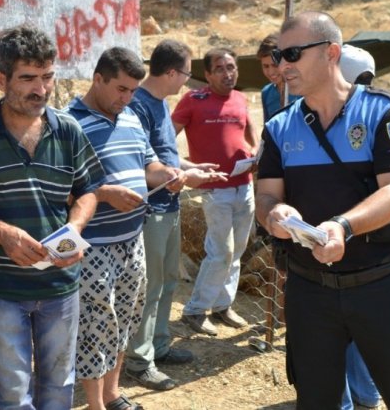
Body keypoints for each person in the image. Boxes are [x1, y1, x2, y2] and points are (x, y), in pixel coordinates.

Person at [256, 11, 390, 409]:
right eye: (278, 54)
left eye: (293, 54)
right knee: (317, 399)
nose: (283, 65)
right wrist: (274, 214)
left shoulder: (383, 113)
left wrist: (343, 226)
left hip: (382, 286)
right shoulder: (280, 127)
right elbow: (266, 196)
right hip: (309, 290)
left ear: (331, 53)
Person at [0, 25, 104, 410]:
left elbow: (88, 190)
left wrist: (75, 228)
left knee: (58, 389)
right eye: (28, 78)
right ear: (0, 79)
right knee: (13, 396)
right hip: (0, 290)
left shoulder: (68, 130)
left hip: (61, 286)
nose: (42, 89)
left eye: (48, 76)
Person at [66, 47, 185, 410]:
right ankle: (94, 403)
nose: (127, 97)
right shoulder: (67, 124)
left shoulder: (131, 117)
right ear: (97, 79)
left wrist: (166, 174)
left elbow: (147, 162)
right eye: (120, 89)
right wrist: (103, 194)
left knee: (126, 321)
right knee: (94, 326)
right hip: (93, 245)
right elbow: (57, 187)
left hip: (132, 240)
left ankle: (112, 392)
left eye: (132, 90)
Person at [124, 39, 225, 391]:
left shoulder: (159, 104)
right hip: (151, 209)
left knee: (167, 280)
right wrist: (185, 177)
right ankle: (138, 360)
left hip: (169, 206)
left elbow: (162, 157)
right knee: (149, 287)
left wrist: (191, 167)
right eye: (186, 73)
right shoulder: (138, 105)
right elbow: (141, 163)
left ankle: (159, 345)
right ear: (171, 72)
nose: (187, 80)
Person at [173, 47, 260, 336]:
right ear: (207, 74)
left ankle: (223, 306)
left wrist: (255, 150)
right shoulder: (193, 100)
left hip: (244, 186)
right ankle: (196, 310)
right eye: (220, 68)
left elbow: (249, 130)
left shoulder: (239, 98)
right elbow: (166, 137)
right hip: (215, 190)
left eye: (231, 67)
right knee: (220, 250)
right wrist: (180, 167)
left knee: (237, 250)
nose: (228, 73)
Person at [338, 45, 381, 410]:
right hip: (375, 241)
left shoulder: (330, 116)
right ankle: (366, 395)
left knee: (334, 331)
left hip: (336, 239)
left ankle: (349, 400)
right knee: (366, 327)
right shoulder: (387, 111)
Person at [258, 33, 300, 122]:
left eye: (275, 65)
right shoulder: (267, 93)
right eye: (266, 66)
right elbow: (268, 130)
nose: (271, 72)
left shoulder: (303, 90)